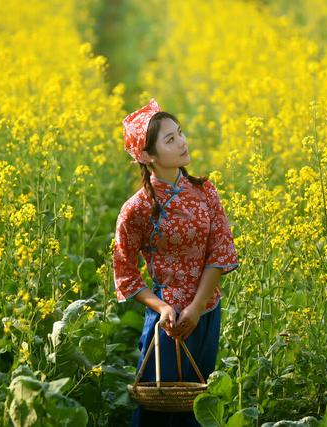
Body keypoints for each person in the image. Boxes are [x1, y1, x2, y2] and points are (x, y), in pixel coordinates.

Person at [113, 98, 239, 426]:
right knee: (158, 406)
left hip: (207, 313)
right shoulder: (136, 209)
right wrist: (162, 308)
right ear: (145, 156)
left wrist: (197, 308)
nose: (182, 142)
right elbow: (125, 272)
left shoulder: (205, 192)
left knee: (198, 403)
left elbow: (220, 252)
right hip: (166, 323)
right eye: (170, 139)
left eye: (180, 133)